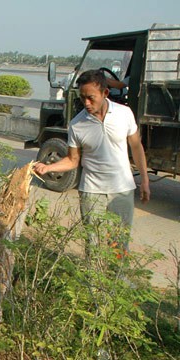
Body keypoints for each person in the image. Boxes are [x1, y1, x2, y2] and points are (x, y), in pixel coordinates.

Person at [34, 69, 150, 252]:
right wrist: (48, 167)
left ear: (105, 93)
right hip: (91, 191)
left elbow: (136, 147)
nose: (86, 103)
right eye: (82, 98)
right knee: (93, 245)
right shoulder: (77, 125)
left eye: (91, 97)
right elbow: (73, 160)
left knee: (118, 245)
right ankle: (93, 281)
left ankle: (116, 279)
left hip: (122, 189)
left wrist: (144, 180)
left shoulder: (124, 113)